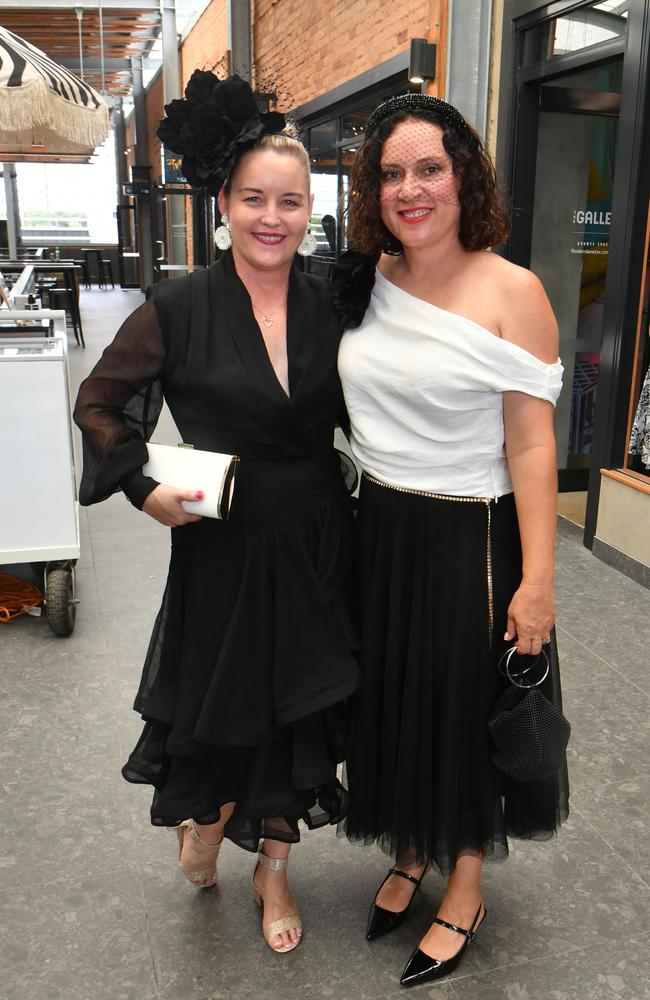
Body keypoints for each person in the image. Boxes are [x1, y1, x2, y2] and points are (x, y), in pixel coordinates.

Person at [74, 72, 359, 955]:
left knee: (299, 713)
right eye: (253, 200)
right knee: (225, 706)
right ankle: (206, 823)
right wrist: (140, 488)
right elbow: (100, 401)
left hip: (319, 536)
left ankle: (273, 867)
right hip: (224, 542)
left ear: (311, 207)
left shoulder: (335, 297)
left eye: (290, 201)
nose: (271, 218)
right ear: (222, 205)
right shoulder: (179, 308)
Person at [334, 92, 569, 986]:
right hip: (382, 531)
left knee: (464, 709)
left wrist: (538, 581)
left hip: (471, 537)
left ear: (466, 175)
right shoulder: (373, 277)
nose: (410, 188)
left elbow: (534, 442)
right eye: (392, 173)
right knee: (396, 699)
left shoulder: (515, 291)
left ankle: (464, 879)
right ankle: (414, 849)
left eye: (429, 167)